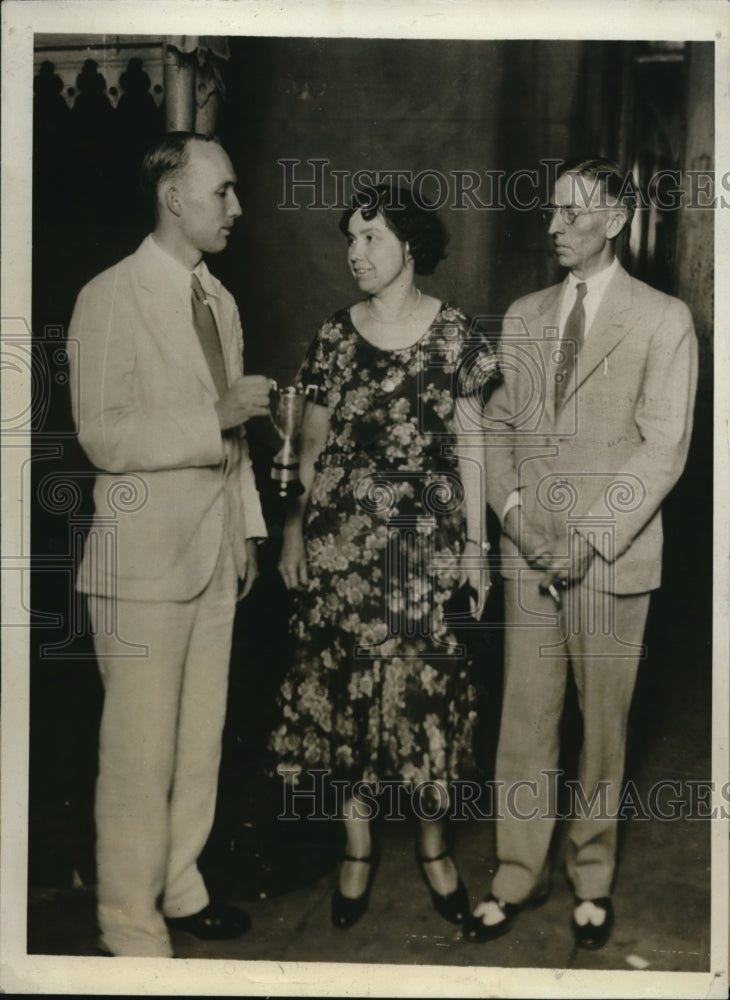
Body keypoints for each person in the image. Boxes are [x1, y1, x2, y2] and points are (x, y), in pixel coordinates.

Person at [464, 157, 697, 949]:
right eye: (553, 211)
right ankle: (514, 873)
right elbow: (496, 426)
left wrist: (589, 539)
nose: (554, 225)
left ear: (617, 219)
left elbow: (664, 447)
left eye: (573, 212)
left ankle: (591, 877)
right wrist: (520, 519)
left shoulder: (664, 319)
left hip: (609, 561)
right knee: (524, 723)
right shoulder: (525, 314)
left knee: (603, 730)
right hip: (530, 553)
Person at [270, 183, 500, 929]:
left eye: (370, 238)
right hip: (342, 558)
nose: (354, 253)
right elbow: (310, 447)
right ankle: (358, 849)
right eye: (350, 240)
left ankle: (434, 850)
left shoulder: (457, 335)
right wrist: (296, 531)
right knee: (344, 702)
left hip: (422, 561)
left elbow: (472, 450)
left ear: (409, 245)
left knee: (427, 702)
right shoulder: (337, 333)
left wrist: (476, 549)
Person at [69, 132, 271, 957]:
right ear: (173, 197)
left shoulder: (218, 298)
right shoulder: (109, 296)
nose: (237, 208)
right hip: (143, 563)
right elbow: (101, 436)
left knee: (198, 739)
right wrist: (212, 418)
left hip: (216, 551)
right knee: (138, 752)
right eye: (222, 192)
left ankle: (179, 884)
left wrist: (249, 527)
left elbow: (242, 443)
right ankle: (127, 917)